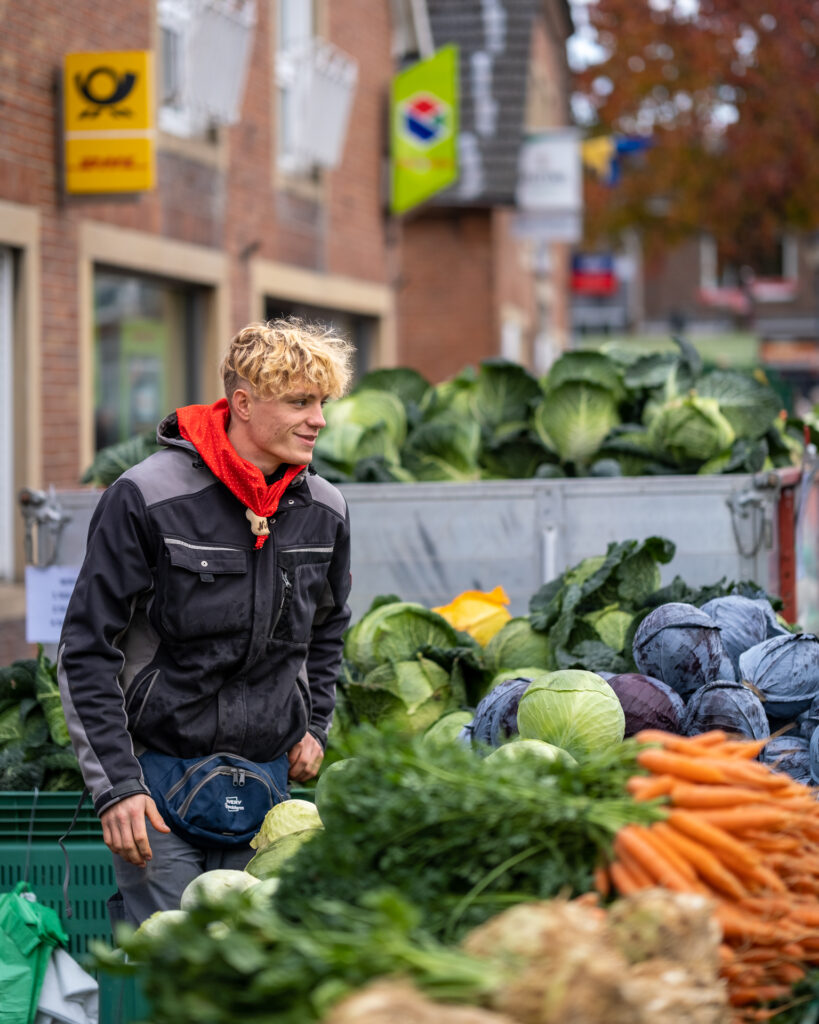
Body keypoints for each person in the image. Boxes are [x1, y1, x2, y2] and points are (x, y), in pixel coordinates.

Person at [58, 318, 354, 926]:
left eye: (321, 402)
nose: (317, 420)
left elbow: (329, 627)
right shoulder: (146, 496)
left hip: (269, 787)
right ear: (243, 404)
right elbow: (87, 648)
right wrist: (116, 787)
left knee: (254, 968)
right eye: (299, 402)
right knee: (177, 970)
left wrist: (316, 725)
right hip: (157, 789)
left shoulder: (325, 509)